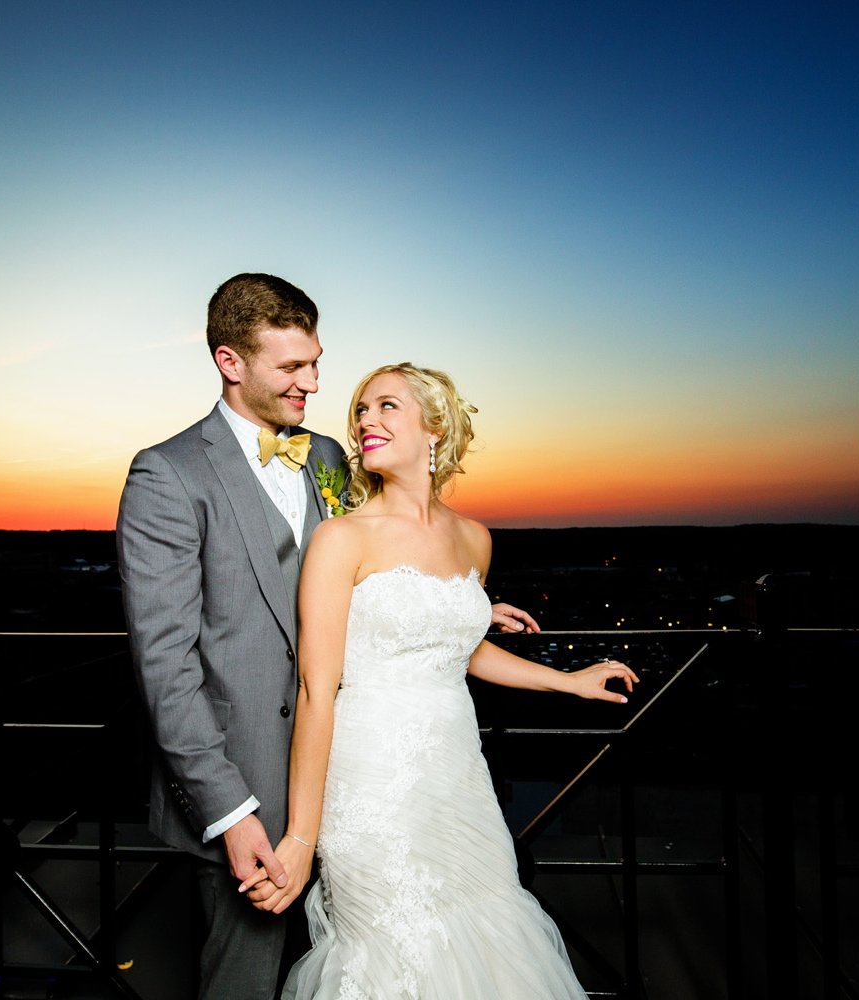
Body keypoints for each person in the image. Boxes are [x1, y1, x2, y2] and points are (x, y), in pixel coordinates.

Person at [117, 279, 541, 999]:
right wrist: (228, 811)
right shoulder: (168, 474)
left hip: (358, 777)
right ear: (231, 361)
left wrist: (459, 608)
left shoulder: (326, 460)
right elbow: (165, 667)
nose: (314, 383)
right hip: (241, 783)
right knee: (244, 981)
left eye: (316, 362)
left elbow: (378, 561)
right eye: (292, 368)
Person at [242, 362, 638, 999]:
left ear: (435, 428)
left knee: (486, 937)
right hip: (370, 787)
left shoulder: (474, 539)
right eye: (361, 410)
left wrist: (570, 681)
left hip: (459, 783)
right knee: (388, 954)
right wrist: (299, 839)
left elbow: (462, 651)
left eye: (386, 406)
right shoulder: (340, 539)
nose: (366, 420)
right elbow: (317, 692)